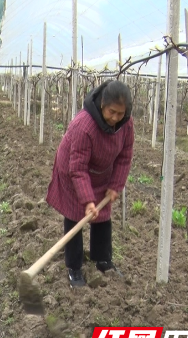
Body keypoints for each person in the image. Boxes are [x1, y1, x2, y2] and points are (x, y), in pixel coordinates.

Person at [46, 80, 134, 288]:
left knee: (103, 215)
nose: (115, 119)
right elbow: (77, 168)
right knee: (76, 214)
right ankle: (74, 268)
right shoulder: (83, 125)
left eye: (120, 114)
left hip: (101, 172)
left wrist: (115, 185)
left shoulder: (126, 124)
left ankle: (103, 260)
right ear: (102, 104)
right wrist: (87, 200)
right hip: (72, 170)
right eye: (112, 112)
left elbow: (124, 157)